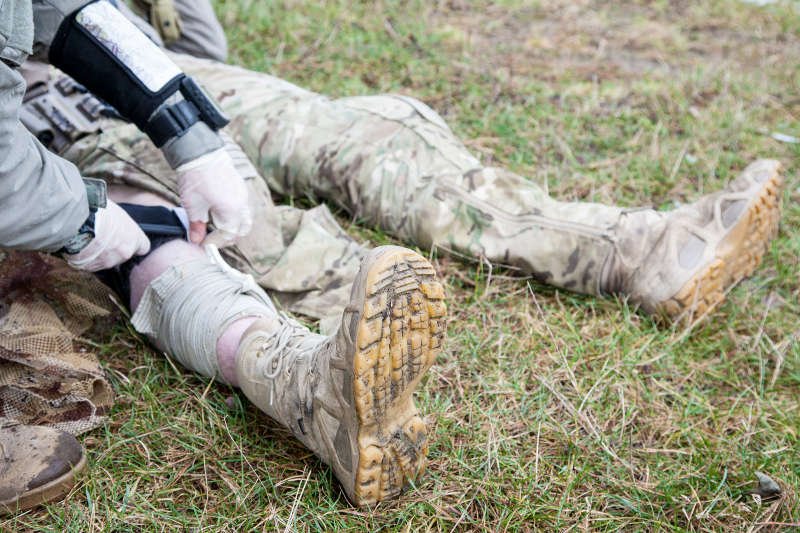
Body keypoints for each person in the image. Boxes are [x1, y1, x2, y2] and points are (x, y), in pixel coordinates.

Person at [2, 0, 447, 511]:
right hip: (39, 132)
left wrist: (190, 138)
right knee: (152, 236)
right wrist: (79, 215)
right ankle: (302, 382)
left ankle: (310, 391)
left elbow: (61, 8)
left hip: (71, 106)